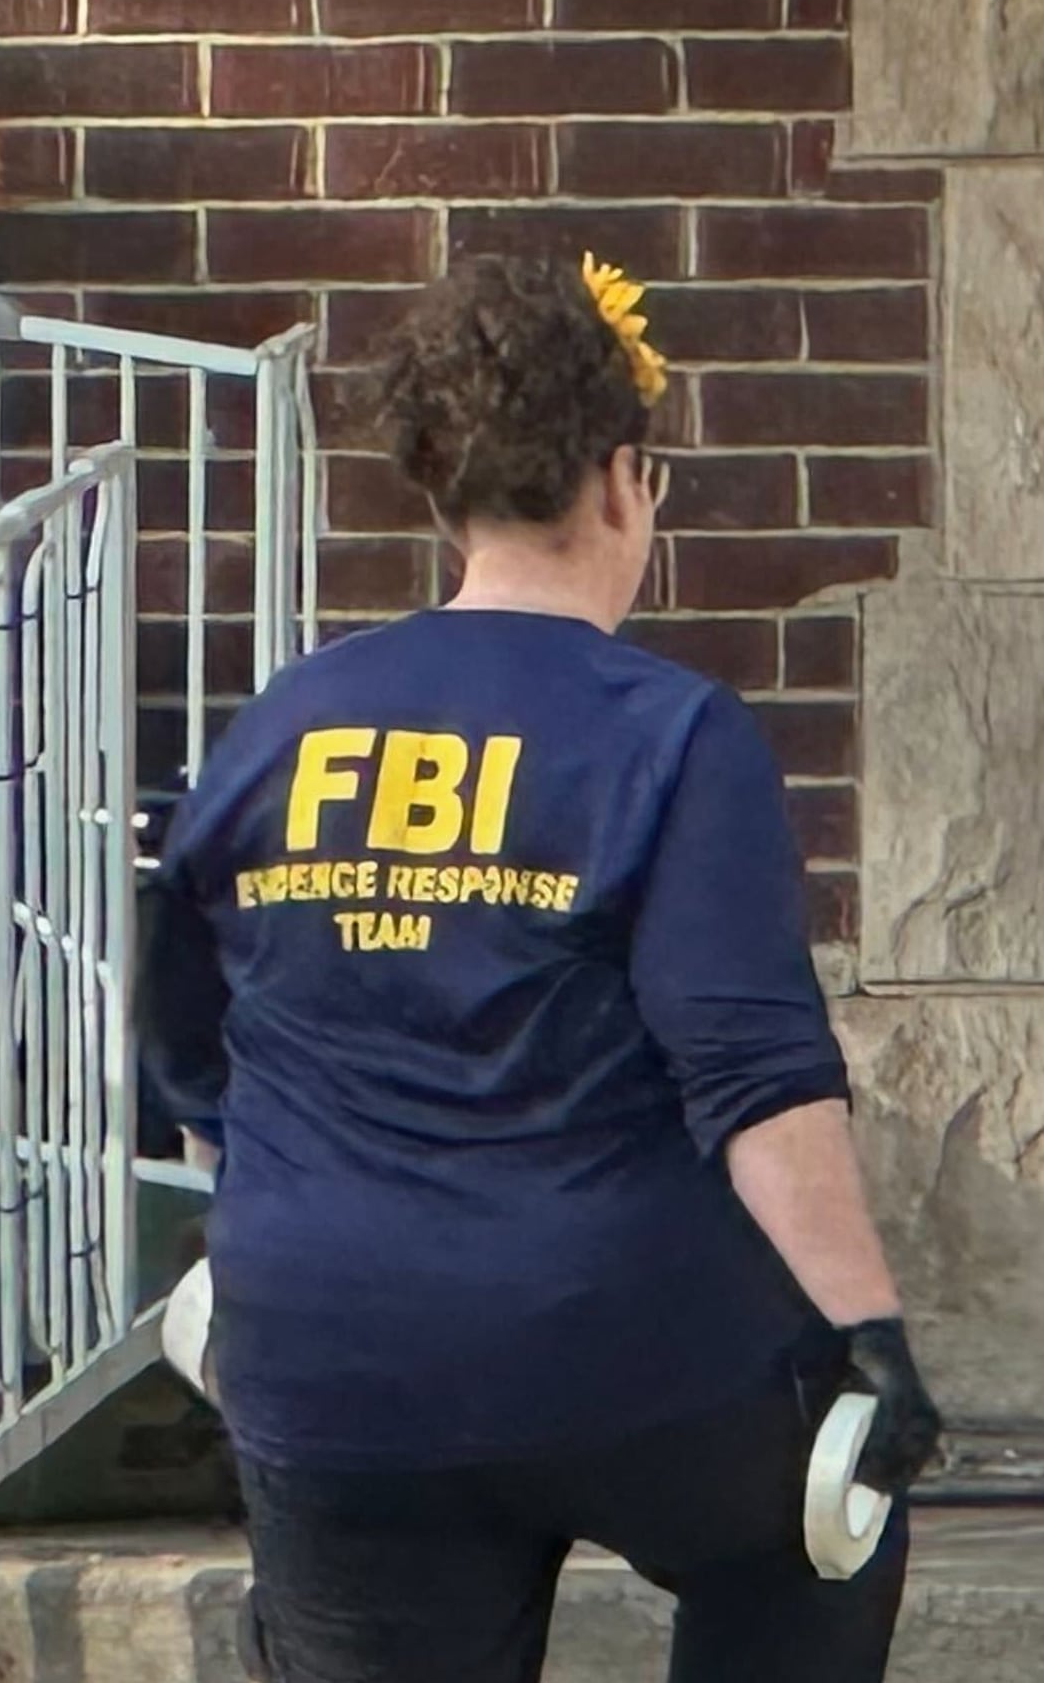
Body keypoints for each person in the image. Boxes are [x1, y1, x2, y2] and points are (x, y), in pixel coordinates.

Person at [139, 251, 942, 1683]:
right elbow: (753, 1082)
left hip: (329, 1359)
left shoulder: (281, 724)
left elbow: (191, 1059)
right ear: (623, 478)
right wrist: (872, 1341)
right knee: (828, 1520)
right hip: (626, 1347)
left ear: (444, 493)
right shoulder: (670, 734)